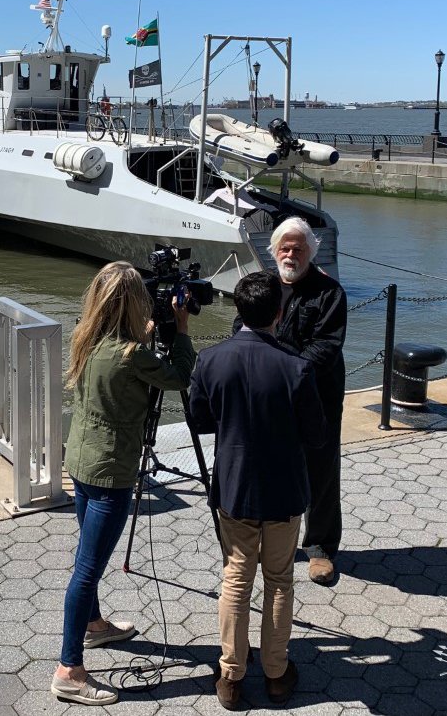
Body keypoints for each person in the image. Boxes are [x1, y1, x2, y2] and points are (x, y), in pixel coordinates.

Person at [51, 261, 196, 706]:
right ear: (132, 304)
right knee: (86, 571)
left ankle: (94, 626)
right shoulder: (133, 354)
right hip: (111, 471)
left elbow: (123, 368)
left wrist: (146, 336)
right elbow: (179, 376)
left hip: (81, 461)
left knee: (86, 556)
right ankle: (69, 670)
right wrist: (182, 329)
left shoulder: (87, 337)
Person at [190, 271, 326, 709]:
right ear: (279, 313)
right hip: (284, 489)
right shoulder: (296, 366)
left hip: (235, 487)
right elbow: (317, 435)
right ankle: (275, 672)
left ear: (238, 309)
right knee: (279, 579)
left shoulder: (210, 360)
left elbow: (200, 420)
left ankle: (231, 676)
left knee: (236, 578)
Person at [266, 216, 347, 586]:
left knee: (321, 473)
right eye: (284, 248)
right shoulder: (262, 286)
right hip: (273, 396)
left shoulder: (329, 292)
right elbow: (243, 327)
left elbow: (326, 346)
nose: (290, 254)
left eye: (298, 249)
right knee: (275, 468)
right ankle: (275, 540)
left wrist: (283, 369)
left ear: (310, 252)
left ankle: (320, 547)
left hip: (318, 396)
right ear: (274, 251)